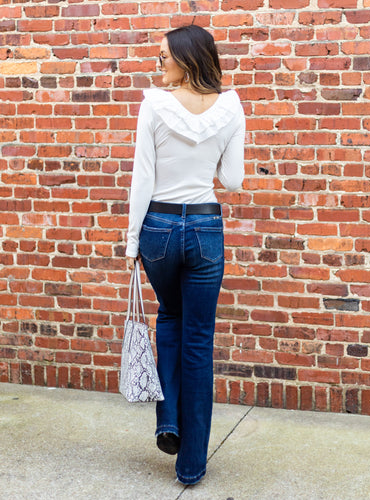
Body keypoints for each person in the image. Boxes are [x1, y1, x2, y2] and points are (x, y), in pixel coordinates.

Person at [126, 24, 245, 485]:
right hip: (204, 227)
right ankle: (191, 465)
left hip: (157, 227)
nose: (158, 65)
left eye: (163, 57)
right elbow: (233, 180)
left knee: (169, 319)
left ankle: (168, 421)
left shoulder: (154, 105)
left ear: (186, 59)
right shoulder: (232, 106)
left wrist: (132, 242)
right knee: (198, 339)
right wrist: (208, 158)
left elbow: (143, 177)